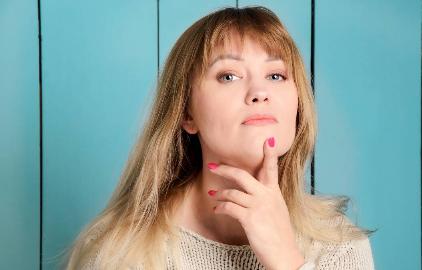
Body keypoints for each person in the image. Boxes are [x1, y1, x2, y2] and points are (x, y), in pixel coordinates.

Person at [62, 6, 375, 270]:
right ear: (187, 114)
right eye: (229, 76)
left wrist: (287, 259)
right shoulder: (120, 253)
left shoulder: (339, 249)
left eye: (275, 75)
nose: (259, 93)